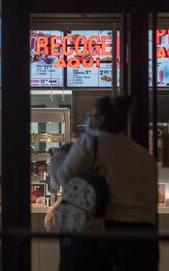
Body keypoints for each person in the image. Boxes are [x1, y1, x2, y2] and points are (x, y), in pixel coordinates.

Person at [51, 96, 158, 271]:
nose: (88, 119)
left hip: (110, 235)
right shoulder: (144, 155)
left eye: (90, 115)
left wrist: (58, 158)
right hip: (145, 238)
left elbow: (63, 177)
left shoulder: (90, 143)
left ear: (100, 119)